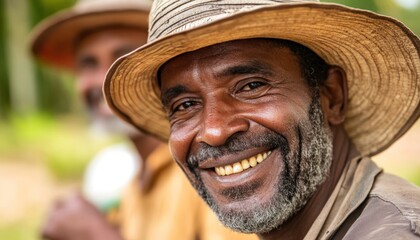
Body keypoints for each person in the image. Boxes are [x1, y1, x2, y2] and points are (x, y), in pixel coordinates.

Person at [103, 0, 420, 239]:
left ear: (332, 96)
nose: (215, 131)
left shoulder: (395, 232)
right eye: (185, 104)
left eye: (251, 86)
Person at [30, 0, 257, 240]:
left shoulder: (214, 167)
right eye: (89, 63)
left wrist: (96, 235)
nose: (103, 80)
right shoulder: (133, 186)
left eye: (121, 60)